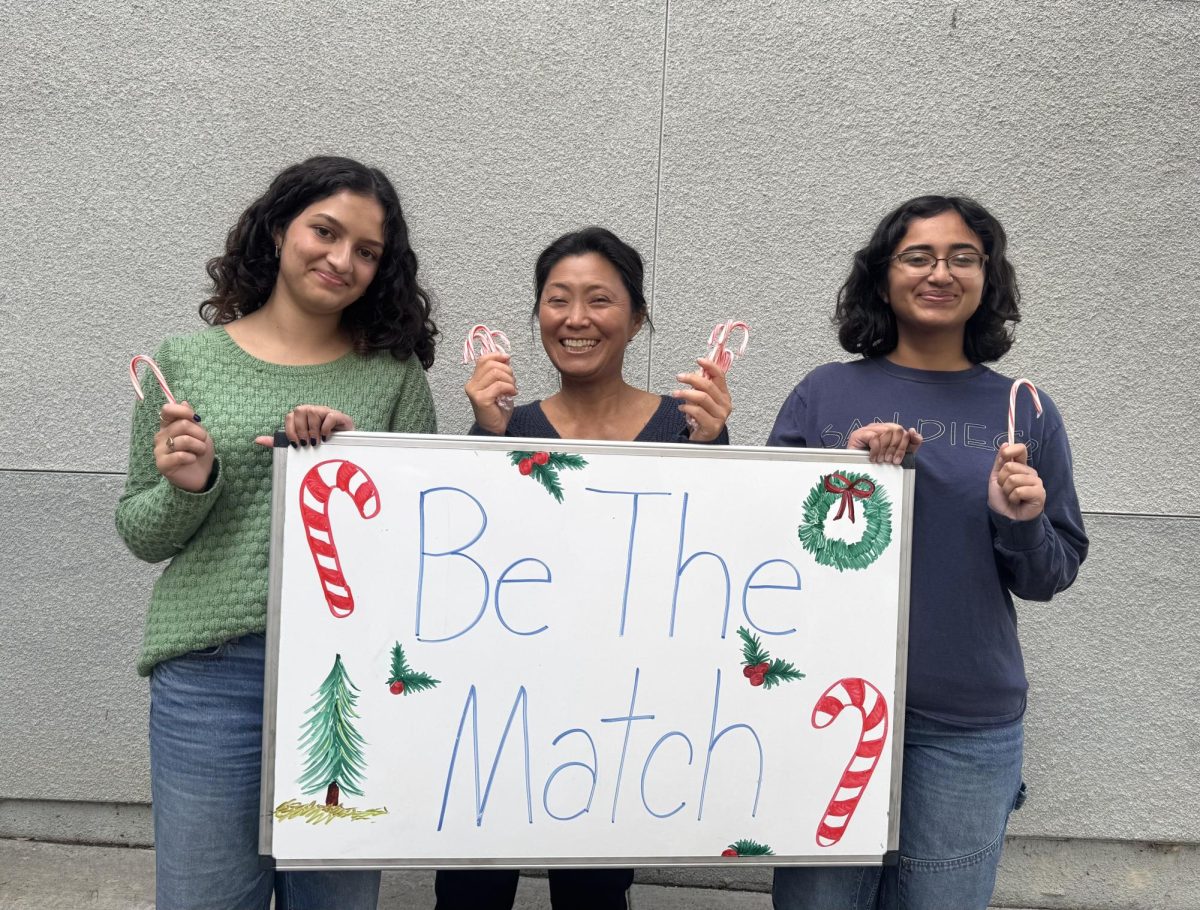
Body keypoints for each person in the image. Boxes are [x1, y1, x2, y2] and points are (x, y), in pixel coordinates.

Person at [116, 156, 437, 910]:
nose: (342, 260)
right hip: (211, 676)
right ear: (276, 228)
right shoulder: (183, 360)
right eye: (325, 232)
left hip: (347, 680)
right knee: (205, 899)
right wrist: (191, 489)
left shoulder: (391, 377)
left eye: (367, 251)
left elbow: (418, 543)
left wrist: (356, 469)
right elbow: (140, 529)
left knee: (335, 901)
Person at [768, 195, 1087, 910]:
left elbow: (1048, 575)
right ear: (884, 279)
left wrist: (1023, 522)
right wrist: (842, 482)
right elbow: (769, 551)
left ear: (986, 279)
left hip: (967, 722)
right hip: (828, 704)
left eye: (962, 258)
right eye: (918, 256)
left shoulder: (1024, 409)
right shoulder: (825, 392)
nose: (940, 272)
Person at [435, 226, 732, 909]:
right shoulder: (508, 425)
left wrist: (717, 449)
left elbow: (715, 568)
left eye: (598, 299)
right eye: (557, 299)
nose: (575, 318)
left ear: (637, 317)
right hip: (501, 710)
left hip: (623, 715)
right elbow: (462, 566)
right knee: (469, 894)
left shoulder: (687, 429)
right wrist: (486, 435)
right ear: (537, 313)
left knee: (593, 898)